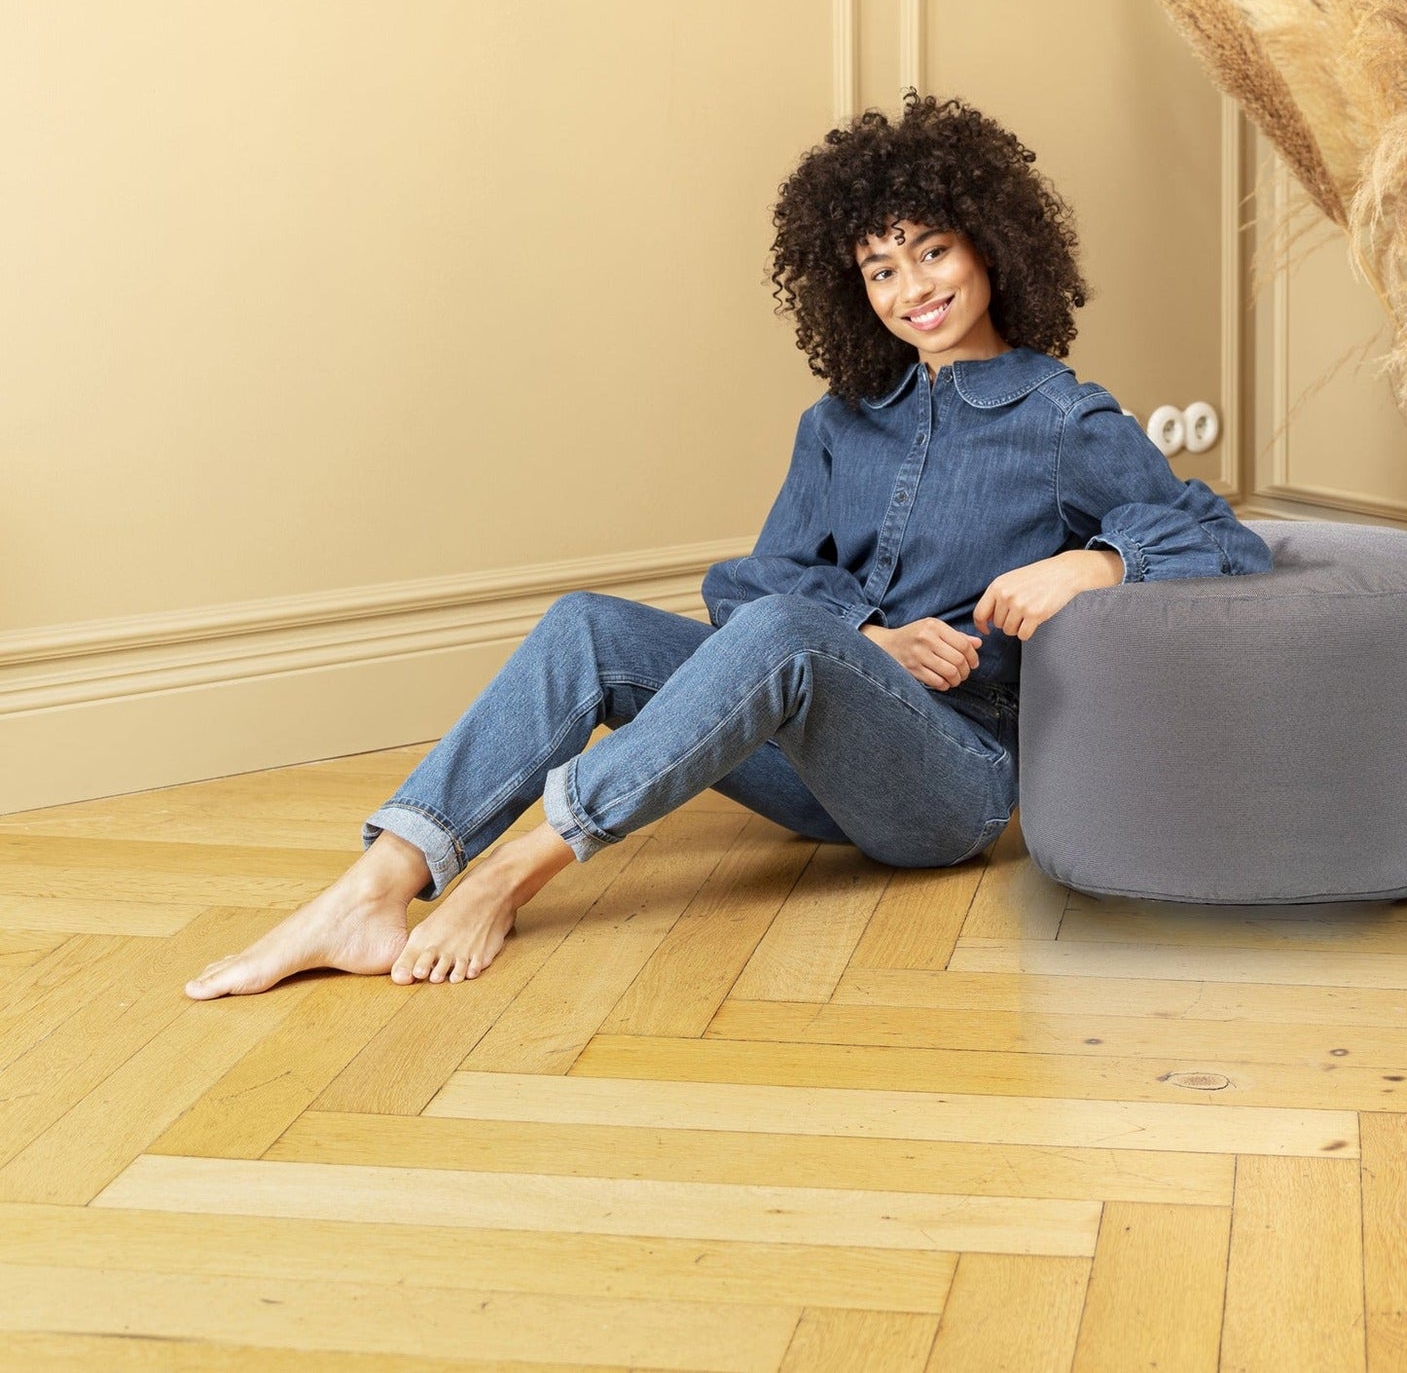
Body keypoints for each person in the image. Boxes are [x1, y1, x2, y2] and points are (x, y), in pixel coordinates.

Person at [185, 92, 1274, 1000]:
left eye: (932, 250)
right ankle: (378, 883)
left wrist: (1087, 563)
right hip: (813, 765)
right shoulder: (840, 421)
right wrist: (870, 638)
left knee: (791, 631)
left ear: (990, 244)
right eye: (880, 268)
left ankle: (516, 867)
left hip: (954, 784)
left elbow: (1220, 536)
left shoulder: (1062, 417)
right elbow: (749, 584)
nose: (913, 289)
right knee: (588, 626)